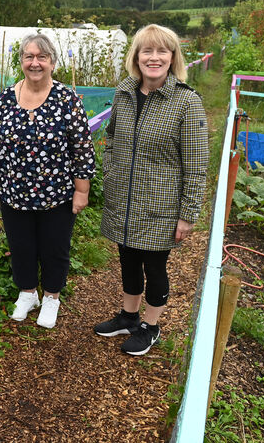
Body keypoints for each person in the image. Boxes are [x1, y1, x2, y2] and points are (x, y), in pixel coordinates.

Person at [0, 33, 95, 329]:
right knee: (21, 246)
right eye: (29, 57)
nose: (35, 63)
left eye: (41, 57)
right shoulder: (8, 97)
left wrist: (82, 190)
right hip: (14, 191)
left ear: (52, 63)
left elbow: (82, 147)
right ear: (21, 62)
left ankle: (52, 298)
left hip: (55, 193)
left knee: (54, 248)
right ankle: (28, 293)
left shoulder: (67, 100)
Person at [93, 24, 209, 356]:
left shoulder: (186, 102)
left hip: (161, 205)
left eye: (162, 51)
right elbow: (112, 138)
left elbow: (197, 164)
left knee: (154, 267)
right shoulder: (124, 92)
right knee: (127, 259)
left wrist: (187, 214)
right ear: (137, 56)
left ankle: (151, 325)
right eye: (147, 51)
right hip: (124, 199)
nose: (154, 58)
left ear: (173, 58)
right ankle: (129, 316)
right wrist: (111, 169)